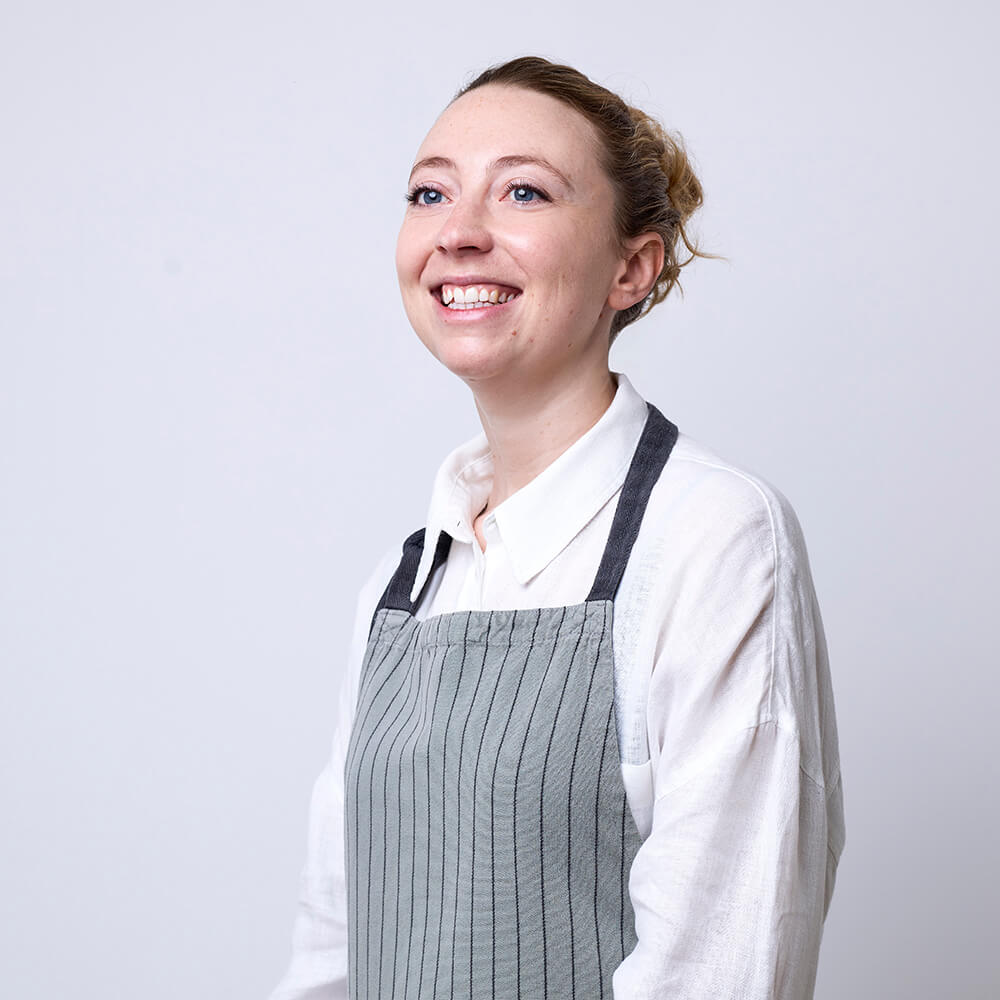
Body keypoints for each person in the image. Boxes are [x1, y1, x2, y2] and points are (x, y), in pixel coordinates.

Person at [269, 56, 844, 1000]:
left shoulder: (713, 536)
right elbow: (332, 944)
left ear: (632, 267)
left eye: (523, 192)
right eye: (430, 193)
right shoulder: (403, 584)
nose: (458, 233)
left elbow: (723, 967)